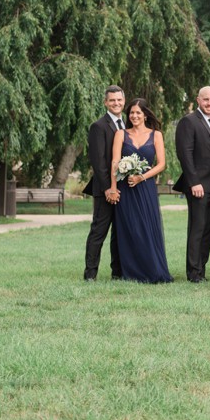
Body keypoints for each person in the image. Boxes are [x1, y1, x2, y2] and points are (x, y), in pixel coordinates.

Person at [107, 98, 173, 283]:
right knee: (129, 228)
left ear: (145, 114)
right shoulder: (121, 134)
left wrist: (141, 177)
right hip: (125, 188)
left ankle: (152, 269)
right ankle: (132, 272)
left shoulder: (156, 135)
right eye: (132, 113)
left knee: (146, 227)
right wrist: (113, 187)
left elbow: (161, 164)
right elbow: (114, 162)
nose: (135, 116)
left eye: (138, 113)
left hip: (145, 187)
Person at [172, 86, 210, 283]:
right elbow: (184, 153)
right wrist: (194, 182)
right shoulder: (189, 121)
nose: (209, 103)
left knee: (209, 229)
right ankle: (193, 272)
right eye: (206, 100)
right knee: (197, 229)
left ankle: (201, 269)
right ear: (198, 100)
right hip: (199, 186)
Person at [83, 85, 125, 281]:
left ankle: (117, 272)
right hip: (105, 190)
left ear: (123, 101)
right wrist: (108, 188)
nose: (116, 103)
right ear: (105, 103)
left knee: (119, 233)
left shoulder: (126, 125)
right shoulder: (98, 126)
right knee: (99, 232)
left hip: (124, 190)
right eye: (112, 100)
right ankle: (90, 274)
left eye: (119, 100)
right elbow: (98, 162)